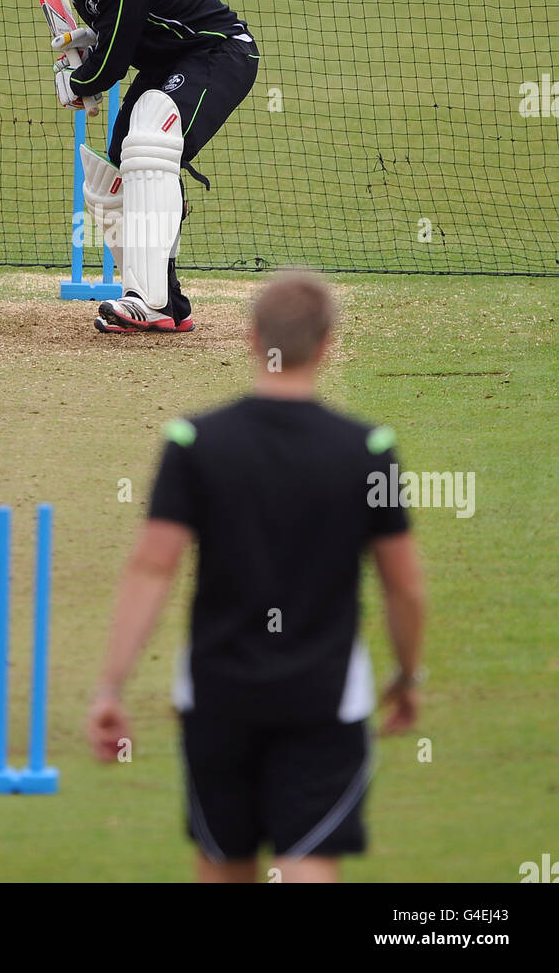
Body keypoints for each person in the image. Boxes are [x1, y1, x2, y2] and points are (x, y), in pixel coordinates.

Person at [86, 270, 425, 882]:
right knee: (308, 859)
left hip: (218, 692)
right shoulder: (368, 449)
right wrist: (406, 675)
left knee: (224, 861)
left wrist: (111, 688)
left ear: (250, 339)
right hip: (324, 697)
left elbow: (152, 566)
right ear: (327, 346)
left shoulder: (194, 442)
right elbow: (404, 584)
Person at [33, 0, 259, 334]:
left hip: (217, 49)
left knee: (149, 139)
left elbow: (114, 64)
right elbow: (122, 31)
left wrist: (77, 83)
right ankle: (168, 304)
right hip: (169, 61)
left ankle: (148, 300)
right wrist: (90, 44)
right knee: (116, 170)